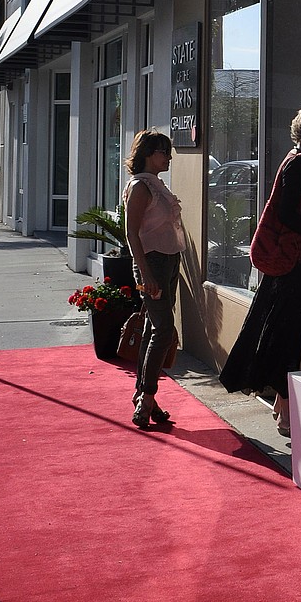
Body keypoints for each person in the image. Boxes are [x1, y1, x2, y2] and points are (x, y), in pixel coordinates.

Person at [219, 103, 301, 436]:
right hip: (294, 267)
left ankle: (283, 407)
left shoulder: (294, 162)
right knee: (287, 335)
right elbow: (290, 216)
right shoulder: (300, 166)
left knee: (283, 333)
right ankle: (286, 413)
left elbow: (295, 215)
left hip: (292, 263)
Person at [123, 129, 186, 429]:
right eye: (164, 151)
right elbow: (131, 233)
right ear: (148, 154)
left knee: (152, 329)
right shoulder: (140, 187)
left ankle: (143, 394)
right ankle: (147, 397)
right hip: (153, 263)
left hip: (170, 260)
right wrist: (145, 272)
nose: (169, 157)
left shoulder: (156, 185)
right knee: (163, 330)